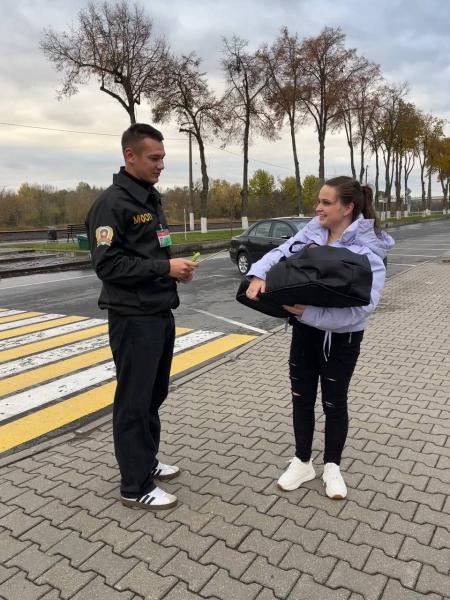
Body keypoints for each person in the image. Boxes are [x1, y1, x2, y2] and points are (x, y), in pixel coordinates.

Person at [246, 176, 394, 499]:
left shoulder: (369, 250)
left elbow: (362, 309)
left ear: (348, 207)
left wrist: (307, 313)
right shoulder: (313, 231)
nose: (318, 208)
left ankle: (332, 466)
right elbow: (282, 251)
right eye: (319, 201)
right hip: (304, 331)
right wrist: (258, 273)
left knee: (334, 402)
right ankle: (302, 461)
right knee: (301, 397)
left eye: (326, 202)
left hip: (343, 339)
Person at [86, 123, 198, 510]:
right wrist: (164, 268)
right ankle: (134, 486)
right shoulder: (112, 204)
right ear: (129, 156)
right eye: (154, 158)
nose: (161, 164)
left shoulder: (150, 198)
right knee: (133, 401)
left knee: (153, 395)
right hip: (133, 318)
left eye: (163, 157)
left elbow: (151, 252)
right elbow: (107, 265)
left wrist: (174, 270)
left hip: (159, 310)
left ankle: (146, 461)